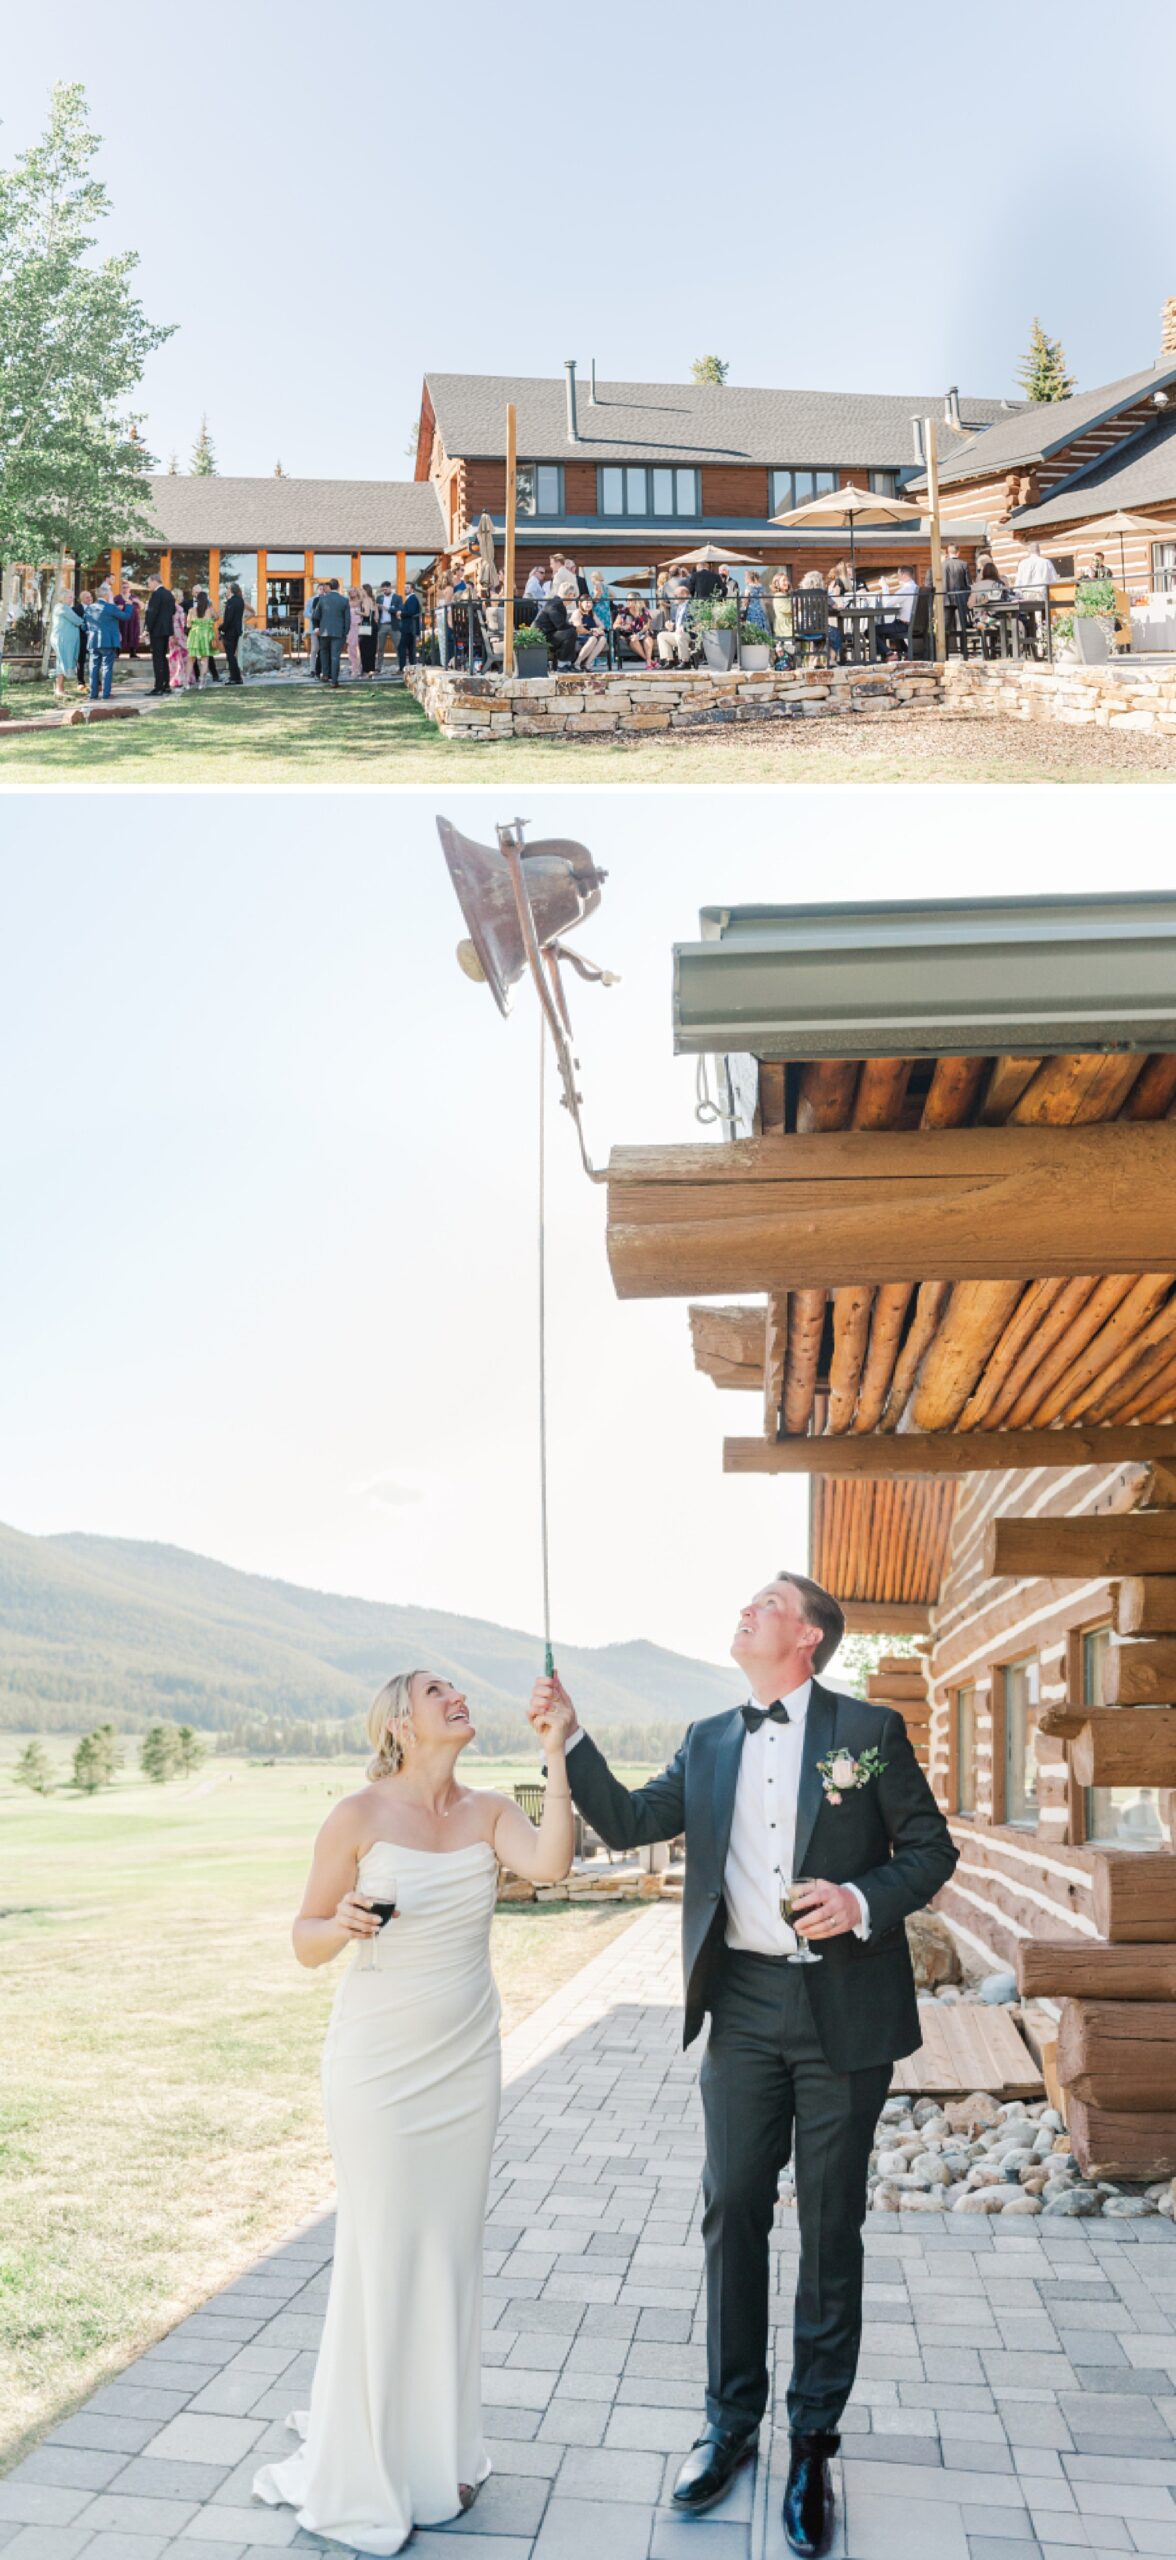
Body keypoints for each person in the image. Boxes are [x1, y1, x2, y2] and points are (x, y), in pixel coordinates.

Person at [534, 1570, 957, 2560]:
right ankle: (729, 2425)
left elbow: (930, 1849)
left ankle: (812, 2443)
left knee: (830, 2224)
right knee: (730, 2205)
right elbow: (633, 1819)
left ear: (806, 1634)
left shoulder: (868, 1731)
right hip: (747, 2009)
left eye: (766, 1601)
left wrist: (859, 1898)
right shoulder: (710, 1738)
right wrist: (571, 1738)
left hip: (846, 2007)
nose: (745, 1608)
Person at [251, 1667, 576, 2554]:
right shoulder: (356, 1818)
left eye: (459, 1689)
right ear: (401, 1720)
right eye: (438, 1690)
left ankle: (441, 2453)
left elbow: (551, 1863)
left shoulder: (484, 1814)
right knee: (386, 2250)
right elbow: (303, 1941)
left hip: (465, 2065)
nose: (459, 1696)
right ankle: (369, 2460)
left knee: (448, 2254)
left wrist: (554, 1754)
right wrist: (343, 1924)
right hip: (377, 2069)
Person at [84, 582, 122, 701]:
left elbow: (84, 626)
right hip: (107, 642)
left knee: (94, 667)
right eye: (109, 594)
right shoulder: (110, 607)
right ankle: (106, 694)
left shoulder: (89, 608)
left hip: (93, 642)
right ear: (106, 595)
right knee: (106, 667)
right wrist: (129, 606)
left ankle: (93, 694)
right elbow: (126, 616)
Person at [314, 579, 350, 687]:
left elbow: (316, 615)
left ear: (330, 587)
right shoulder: (344, 600)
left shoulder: (322, 599)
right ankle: (334, 681)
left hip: (324, 631)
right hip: (338, 632)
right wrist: (345, 632)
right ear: (338, 587)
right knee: (335, 656)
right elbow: (348, 619)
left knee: (324, 653)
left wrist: (318, 627)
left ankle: (325, 675)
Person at [50, 587, 84, 701]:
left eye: (72, 597)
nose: (72, 599)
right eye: (70, 597)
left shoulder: (62, 607)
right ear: (63, 597)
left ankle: (60, 688)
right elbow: (78, 620)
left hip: (63, 639)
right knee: (62, 662)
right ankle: (59, 689)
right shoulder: (63, 608)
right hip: (62, 639)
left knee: (62, 661)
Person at [145, 573, 176, 694]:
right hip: (166, 630)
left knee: (157, 658)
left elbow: (152, 613)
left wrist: (147, 629)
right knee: (163, 657)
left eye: (149, 583)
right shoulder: (169, 594)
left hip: (157, 631)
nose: (148, 585)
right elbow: (172, 611)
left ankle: (158, 687)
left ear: (154, 581)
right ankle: (166, 685)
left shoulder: (156, 594)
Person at [878, 565, 918, 658]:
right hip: (915, 624)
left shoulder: (905, 590)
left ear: (903, 575)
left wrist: (884, 587)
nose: (897, 577)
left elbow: (886, 604)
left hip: (904, 625)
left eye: (898, 575)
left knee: (870, 631)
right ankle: (907, 652)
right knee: (893, 624)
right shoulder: (916, 588)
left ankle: (889, 654)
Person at [533, 590, 577, 667]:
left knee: (570, 632)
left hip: (548, 634)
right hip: (541, 638)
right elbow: (560, 625)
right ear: (570, 595)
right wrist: (576, 628)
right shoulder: (555, 604)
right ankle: (562, 665)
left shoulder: (556, 603)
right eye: (574, 596)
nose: (574, 599)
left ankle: (567, 663)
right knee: (570, 632)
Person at [942, 544, 971, 655]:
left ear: (948, 552)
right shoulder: (964, 564)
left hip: (945, 598)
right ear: (958, 552)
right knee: (962, 626)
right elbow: (968, 584)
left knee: (945, 627)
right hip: (961, 599)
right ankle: (964, 652)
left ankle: (944, 652)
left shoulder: (942, 565)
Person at [186, 592, 220, 685]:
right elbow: (217, 617)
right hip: (206, 637)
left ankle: (186, 682)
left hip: (194, 635)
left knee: (191, 659)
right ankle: (201, 682)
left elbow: (188, 625)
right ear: (207, 600)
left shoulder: (191, 610)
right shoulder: (210, 610)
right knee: (204, 660)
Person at [571, 593, 608, 670]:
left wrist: (598, 629)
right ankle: (577, 663)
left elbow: (602, 625)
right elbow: (578, 627)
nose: (589, 604)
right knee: (593, 639)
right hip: (580, 636)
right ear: (580, 603)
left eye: (590, 602)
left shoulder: (592, 613)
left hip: (592, 635)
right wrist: (592, 630)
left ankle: (587, 663)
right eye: (587, 602)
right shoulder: (577, 612)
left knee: (603, 639)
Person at [220, 581, 246, 684]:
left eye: (228, 589)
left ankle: (235, 678)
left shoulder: (232, 602)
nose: (226, 590)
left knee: (230, 656)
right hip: (236, 631)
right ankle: (236, 677)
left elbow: (228, 619)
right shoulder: (240, 601)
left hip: (230, 632)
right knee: (232, 655)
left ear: (231, 590)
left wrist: (221, 628)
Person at [375, 582, 402, 676]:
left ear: (390, 588)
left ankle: (401, 667)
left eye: (386, 589)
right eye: (383, 589)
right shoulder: (379, 598)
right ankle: (378, 668)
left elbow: (399, 609)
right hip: (382, 625)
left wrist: (386, 608)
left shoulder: (397, 597)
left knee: (398, 647)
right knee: (380, 648)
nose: (384, 591)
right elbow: (376, 610)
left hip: (394, 625)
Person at [167, 592, 191, 691]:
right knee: (181, 656)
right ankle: (181, 679)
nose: (182, 598)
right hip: (178, 632)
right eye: (181, 596)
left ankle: (176, 678)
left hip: (172, 632)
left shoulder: (169, 608)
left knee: (175, 656)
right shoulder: (179, 609)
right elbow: (183, 624)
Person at [397, 583, 423, 671]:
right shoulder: (411, 599)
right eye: (404, 587)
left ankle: (402, 668)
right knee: (410, 649)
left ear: (412, 589)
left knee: (402, 648)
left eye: (407, 588)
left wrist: (401, 613)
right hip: (410, 628)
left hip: (409, 628)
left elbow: (411, 612)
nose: (405, 589)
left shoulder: (412, 598)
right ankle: (412, 667)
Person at [346, 587, 363, 681]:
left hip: (359, 626)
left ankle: (359, 668)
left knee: (359, 648)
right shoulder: (347, 602)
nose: (352, 592)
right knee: (351, 648)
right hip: (350, 627)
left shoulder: (361, 602)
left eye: (354, 590)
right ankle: (354, 668)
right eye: (351, 591)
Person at [305, 586, 322, 676]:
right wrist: (315, 615)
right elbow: (306, 613)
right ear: (317, 590)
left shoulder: (326, 599)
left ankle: (322, 669)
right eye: (320, 589)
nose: (321, 590)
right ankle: (312, 669)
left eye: (323, 589)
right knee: (314, 649)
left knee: (323, 650)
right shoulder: (311, 600)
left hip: (324, 628)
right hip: (314, 628)